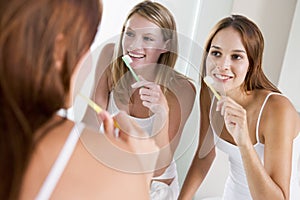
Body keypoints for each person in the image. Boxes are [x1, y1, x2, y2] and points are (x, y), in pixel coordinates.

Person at [0, 0, 159, 199]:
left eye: (148, 38)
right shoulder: (111, 173)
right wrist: (138, 174)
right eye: (87, 45)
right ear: (59, 50)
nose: (88, 59)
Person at [82, 1, 196, 199]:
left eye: (148, 38)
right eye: (130, 33)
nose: (134, 45)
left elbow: (159, 166)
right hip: (112, 175)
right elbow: (90, 123)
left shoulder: (182, 89)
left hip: (153, 188)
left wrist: (162, 112)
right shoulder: (110, 55)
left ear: (165, 46)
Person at [179, 14, 300, 200]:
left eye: (236, 56)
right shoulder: (211, 91)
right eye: (216, 53)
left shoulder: (277, 109)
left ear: (252, 64)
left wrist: (244, 142)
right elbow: (204, 155)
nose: (222, 66)